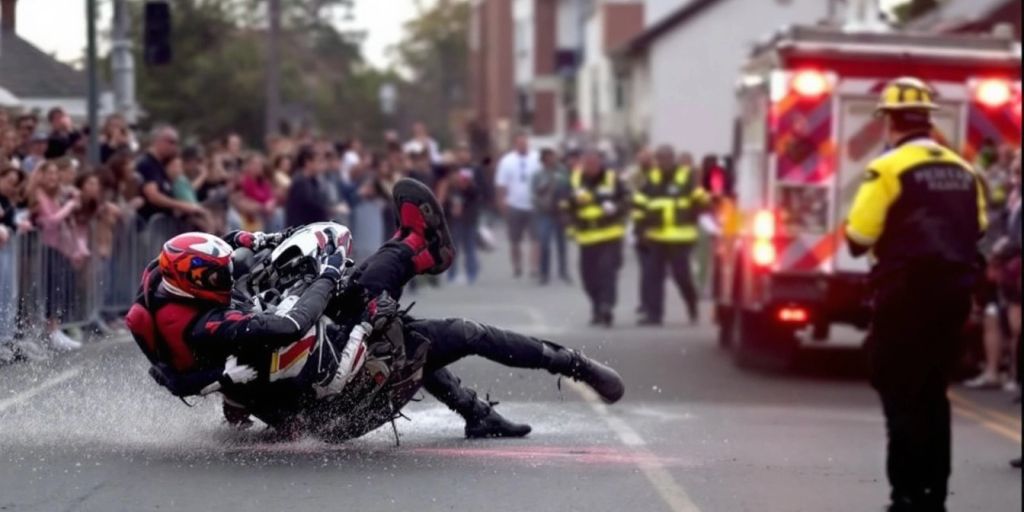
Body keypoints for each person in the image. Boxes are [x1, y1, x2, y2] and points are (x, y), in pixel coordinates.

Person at [128, 178, 624, 438]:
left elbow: (228, 251)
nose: (226, 279)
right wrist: (323, 276)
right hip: (323, 403)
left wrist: (256, 239)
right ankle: (570, 365)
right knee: (450, 333)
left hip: (291, 367)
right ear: (193, 287)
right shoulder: (207, 326)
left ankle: (415, 248)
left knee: (372, 298)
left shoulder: (162, 277)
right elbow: (287, 324)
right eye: (216, 279)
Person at [845, 77, 988, 512]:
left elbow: (858, 235)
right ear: (928, 118)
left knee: (899, 393)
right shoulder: (964, 170)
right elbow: (978, 228)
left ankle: (905, 495)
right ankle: (935, 495)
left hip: (903, 297)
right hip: (953, 297)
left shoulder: (887, 168)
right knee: (933, 393)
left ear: (889, 121)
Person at [633, 145, 709, 326]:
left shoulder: (686, 177)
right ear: (656, 161)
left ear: (673, 159)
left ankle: (692, 304)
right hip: (656, 237)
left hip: (681, 238)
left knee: (681, 276)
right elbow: (639, 206)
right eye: (660, 159)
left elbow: (702, 200)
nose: (664, 162)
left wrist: (701, 204)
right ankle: (654, 315)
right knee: (653, 277)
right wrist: (639, 231)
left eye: (667, 158)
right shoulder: (650, 179)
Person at [560, 150, 628, 327]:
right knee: (588, 277)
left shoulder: (612, 178)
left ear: (600, 163)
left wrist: (616, 207)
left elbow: (628, 199)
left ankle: (607, 307)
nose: (591, 167)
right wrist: (568, 225)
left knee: (607, 272)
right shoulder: (575, 180)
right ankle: (597, 306)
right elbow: (565, 205)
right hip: (586, 237)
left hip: (610, 235)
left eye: (594, 163)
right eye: (587, 164)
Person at [495, 133, 542, 279]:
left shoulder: (537, 159)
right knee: (515, 240)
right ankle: (517, 266)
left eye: (524, 142)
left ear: (528, 143)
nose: (522, 145)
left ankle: (534, 267)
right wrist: (501, 202)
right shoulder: (507, 161)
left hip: (534, 205)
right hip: (514, 204)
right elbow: (501, 184)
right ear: (515, 144)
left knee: (536, 238)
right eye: (519, 143)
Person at [137, 125, 207, 222]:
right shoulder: (147, 163)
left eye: (176, 143)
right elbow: (153, 195)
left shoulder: (162, 164)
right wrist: (182, 205)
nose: (174, 146)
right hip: (149, 224)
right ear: (158, 140)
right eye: (171, 142)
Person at [444, 143, 484, 285]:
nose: (463, 155)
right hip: (454, 214)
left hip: (470, 214)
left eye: (465, 152)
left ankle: (471, 273)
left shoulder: (475, 170)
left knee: (470, 246)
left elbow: (480, 191)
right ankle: (451, 274)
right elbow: (445, 189)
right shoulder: (452, 169)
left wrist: (469, 185)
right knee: (453, 247)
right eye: (460, 152)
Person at [533, 148, 571, 285]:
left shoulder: (562, 171)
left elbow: (568, 188)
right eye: (549, 157)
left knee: (562, 243)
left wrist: (567, 209)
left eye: (553, 157)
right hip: (545, 213)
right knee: (544, 243)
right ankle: (544, 273)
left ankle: (563, 271)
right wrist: (540, 203)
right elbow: (533, 193)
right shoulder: (538, 174)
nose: (552, 159)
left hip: (560, 212)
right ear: (543, 160)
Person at [285, 145, 331, 228]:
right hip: (301, 230)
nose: (321, 165)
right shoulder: (300, 182)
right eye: (318, 161)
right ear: (308, 162)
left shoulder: (314, 181)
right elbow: (310, 206)